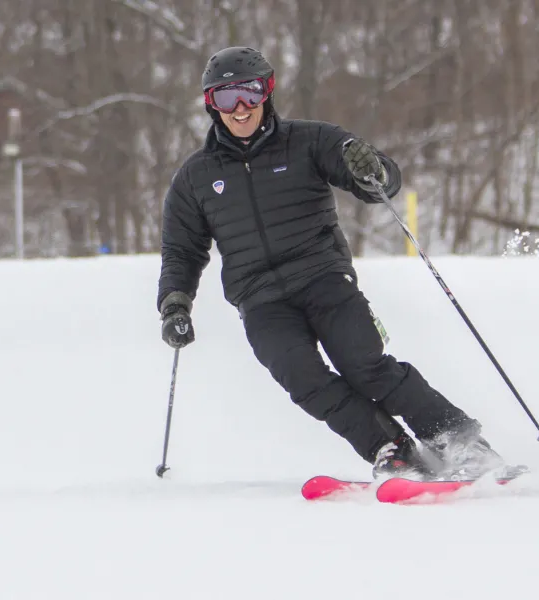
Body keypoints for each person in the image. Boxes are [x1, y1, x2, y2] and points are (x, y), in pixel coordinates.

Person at [156, 46, 503, 479]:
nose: (240, 107)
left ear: (268, 91)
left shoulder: (310, 141)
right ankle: (390, 449)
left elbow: (378, 182)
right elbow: (182, 250)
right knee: (303, 380)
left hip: (324, 278)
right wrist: (175, 304)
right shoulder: (196, 177)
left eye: (250, 93)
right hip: (260, 299)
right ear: (212, 105)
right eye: (227, 98)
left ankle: (460, 442)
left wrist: (371, 168)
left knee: (365, 365)